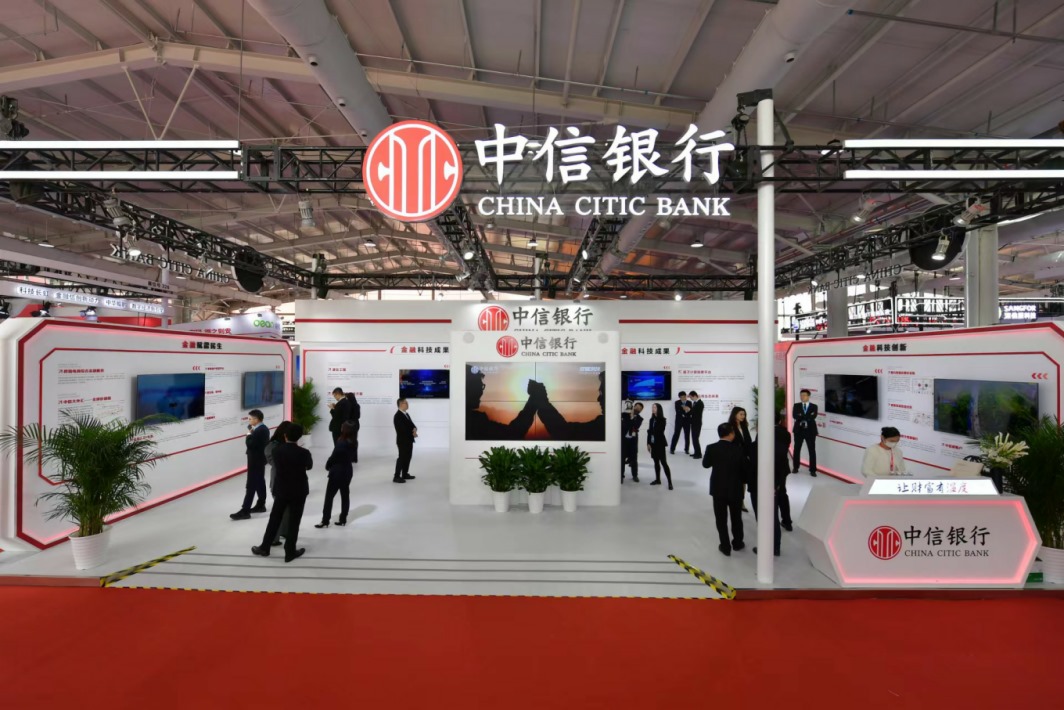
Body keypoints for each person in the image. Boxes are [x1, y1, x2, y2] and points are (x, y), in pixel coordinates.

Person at [252, 423, 313, 562]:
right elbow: (309, 466)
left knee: (274, 519)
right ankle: (290, 551)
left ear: (285, 436)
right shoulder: (304, 453)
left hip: (281, 489)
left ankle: (265, 547)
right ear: (299, 437)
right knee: (294, 521)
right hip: (299, 490)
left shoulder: (276, 451)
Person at [749, 411, 793, 557]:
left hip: (759, 484)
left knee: (763, 516)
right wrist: (778, 484)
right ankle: (776, 545)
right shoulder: (784, 438)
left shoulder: (756, 445)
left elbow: (752, 465)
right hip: (777, 479)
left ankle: (767, 546)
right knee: (775, 510)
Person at [702, 422, 749, 556]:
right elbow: (745, 470)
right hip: (735, 488)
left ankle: (725, 546)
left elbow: (706, 464)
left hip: (718, 489)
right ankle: (738, 543)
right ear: (730, 434)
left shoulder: (711, 448)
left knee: (721, 519)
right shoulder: (738, 450)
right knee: (736, 518)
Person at [465, 366, 538, 440]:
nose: (481, 392)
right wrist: (534, 399)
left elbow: (512, 432)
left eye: (481, 387)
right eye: (478, 386)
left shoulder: (473, 420)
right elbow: (513, 434)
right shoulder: (475, 422)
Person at [537, 373, 607, 441]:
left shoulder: (602, 425)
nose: (598, 398)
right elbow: (566, 432)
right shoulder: (603, 424)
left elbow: (566, 433)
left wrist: (543, 402)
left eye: (602, 393)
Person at [316, 420, 357, 528]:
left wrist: (328, 464)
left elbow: (334, 456)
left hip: (337, 472)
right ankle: (343, 519)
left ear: (345, 429)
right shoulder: (354, 442)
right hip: (347, 471)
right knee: (345, 495)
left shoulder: (341, 441)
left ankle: (325, 521)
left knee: (329, 497)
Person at [231, 409, 270, 520]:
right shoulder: (262, 429)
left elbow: (250, 444)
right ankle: (261, 504)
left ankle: (245, 510)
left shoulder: (259, 430)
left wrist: (248, 435)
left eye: (250, 419)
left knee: (251, 485)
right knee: (260, 482)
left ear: (256, 419)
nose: (248, 421)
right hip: (258, 460)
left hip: (255, 461)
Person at [265, 420, 294, 546]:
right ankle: (274, 538)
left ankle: (284, 532)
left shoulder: (274, 446)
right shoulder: (275, 446)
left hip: (283, 481)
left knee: (286, 510)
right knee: (279, 511)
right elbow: (274, 462)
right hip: (279, 482)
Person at [728, 406, 754, 512]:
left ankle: (741, 502)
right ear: (735, 414)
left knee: (743, 481)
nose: (743, 416)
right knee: (735, 481)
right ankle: (733, 501)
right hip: (734, 458)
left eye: (744, 414)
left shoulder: (744, 426)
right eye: (741, 414)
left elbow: (748, 441)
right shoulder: (730, 427)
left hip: (744, 458)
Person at [792, 388, 819, 477]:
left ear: (808, 396)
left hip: (810, 431)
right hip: (798, 430)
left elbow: (813, 416)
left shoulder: (814, 406)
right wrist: (807, 416)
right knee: (797, 449)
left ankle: (813, 470)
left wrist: (801, 416)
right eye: (801, 395)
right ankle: (795, 467)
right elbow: (794, 415)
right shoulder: (796, 405)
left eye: (804, 395)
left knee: (812, 450)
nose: (802, 397)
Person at [646, 402, 672, 489]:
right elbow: (650, 433)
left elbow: (658, 431)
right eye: (652, 407)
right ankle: (658, 479)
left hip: (660, 444)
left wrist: (650, 431)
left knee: (664, 463)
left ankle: (670, 482)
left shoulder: (662, 420)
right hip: (653, 444)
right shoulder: (651, 420)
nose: (653, 409)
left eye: (655, 407)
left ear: (659, 409)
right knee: (656, 462)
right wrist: (648, 443)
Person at [393, 398, 417, 483]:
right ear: (400, 404)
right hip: (402, 441)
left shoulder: (406, 414)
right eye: (405, 403)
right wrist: (412, 433)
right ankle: (396, 476)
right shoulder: (398, 416)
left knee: (408, 457)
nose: (407, 404)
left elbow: (412, 425)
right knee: (402, 458)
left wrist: (414, 430)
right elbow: (402, 430)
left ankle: (405, 474)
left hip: (409, 440)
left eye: (407, 402)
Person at [622, 402, 644, 482]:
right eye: (637, 407)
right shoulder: (624, 415)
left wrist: (631, 418)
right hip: (623, 440)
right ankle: (621, 475)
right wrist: (630, 417)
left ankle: (635, 475)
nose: (637, 409)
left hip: (633, 441)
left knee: (634, 459)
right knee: (622, 458)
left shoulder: (640, 419)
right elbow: (624, 426)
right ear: (633, 407)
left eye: (640, 409)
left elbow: (636, 426)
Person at [344, 392, 361, 463]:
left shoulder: (348, 405)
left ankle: (349, 457)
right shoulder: (357, 405)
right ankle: (355, 458)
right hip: (356, 424)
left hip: (349, 425)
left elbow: (347, 416)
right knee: (354, 441)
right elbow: (358, 416)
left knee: (348, 441)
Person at [688, 391, 705, 458]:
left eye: (691, 397)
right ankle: (696, 452)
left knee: (695, 438)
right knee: (694, 438)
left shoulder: (700, 403)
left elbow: (696, 413)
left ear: (695, 396)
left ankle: (698, 454)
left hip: (697, 423)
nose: (691, 398)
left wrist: (689, 410)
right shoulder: (695, 403)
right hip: (694, 423)